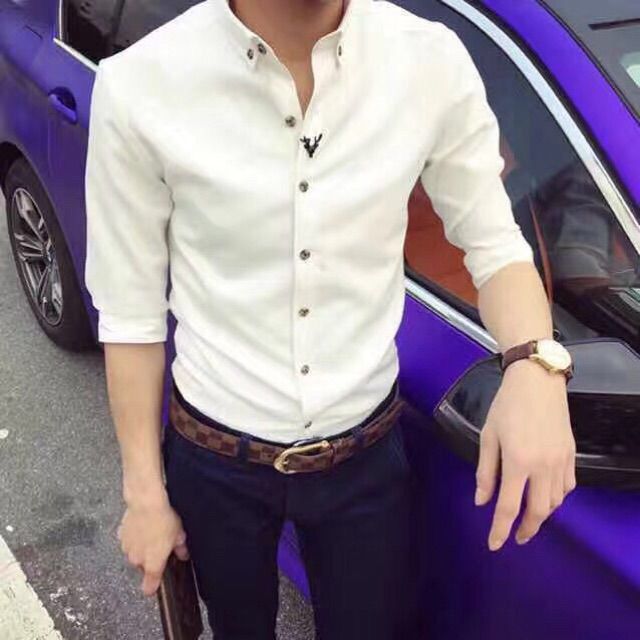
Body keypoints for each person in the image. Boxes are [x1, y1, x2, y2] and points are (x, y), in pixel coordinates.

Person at [83, 1, 577, 638]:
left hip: (364, 452)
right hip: (214, 453)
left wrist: (535, 364)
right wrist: (144, 494)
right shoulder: (141, 83)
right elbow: (131, 315)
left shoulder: (428, 59)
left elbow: (495, 245)